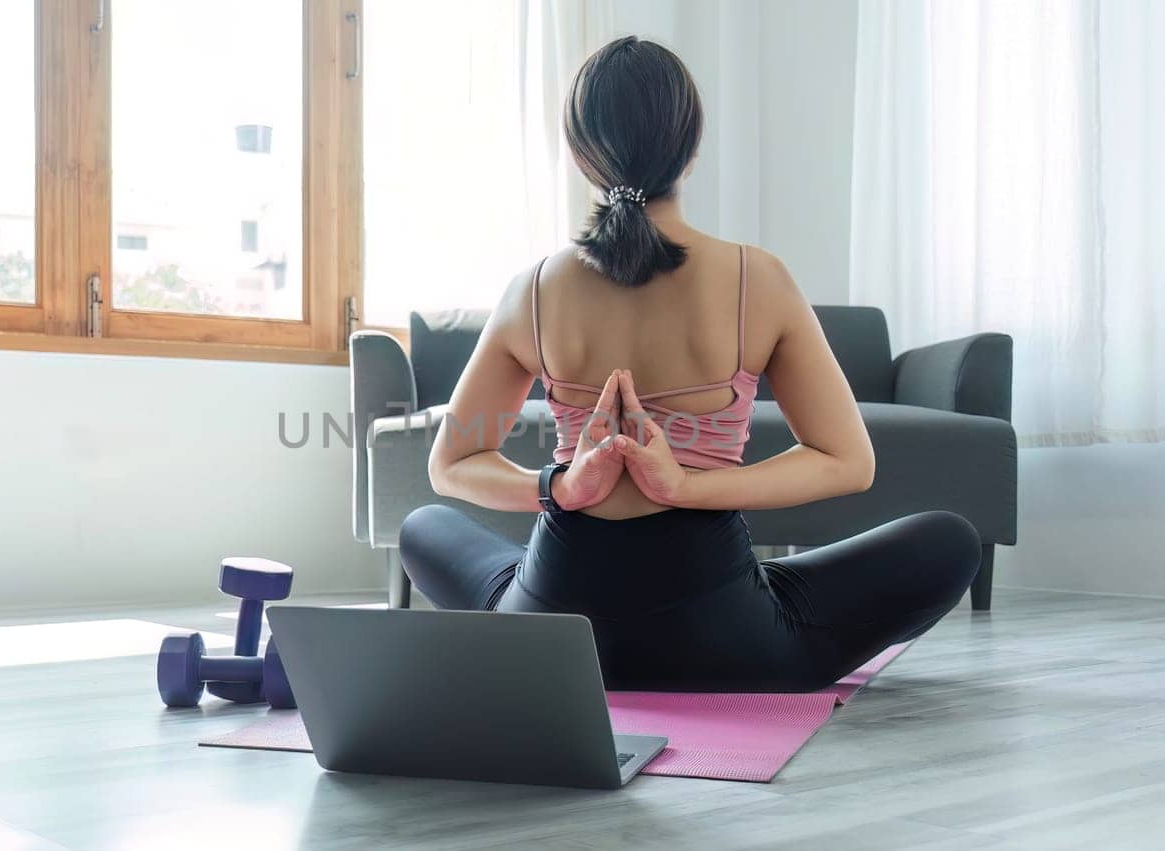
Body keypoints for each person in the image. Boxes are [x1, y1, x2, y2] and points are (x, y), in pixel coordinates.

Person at [399, 36, 980, 691]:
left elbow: (449, 465)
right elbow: (848, 461)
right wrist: (686, 488)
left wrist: (561, 488)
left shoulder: (531, 290)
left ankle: (534, 639)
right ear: (692, 148)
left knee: (423, 527)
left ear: (579, 153)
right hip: (724, 633)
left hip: (555, 630)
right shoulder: (755, 280)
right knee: (950, 541)